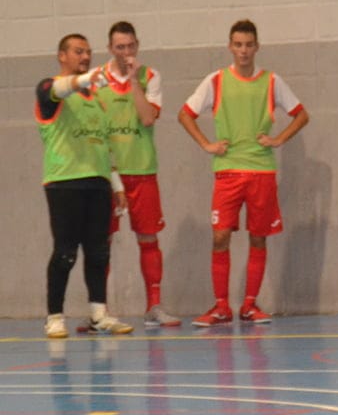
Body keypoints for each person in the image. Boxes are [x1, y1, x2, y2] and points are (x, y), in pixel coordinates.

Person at [178, 19, 310, 327]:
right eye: (238, 45)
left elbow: (302, 115)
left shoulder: (272, 81)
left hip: (261, 171)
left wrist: (278, 139)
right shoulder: (216, 80)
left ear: (257, 47)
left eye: (249, 45)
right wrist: (206, 144)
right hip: (227, 172)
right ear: (230, 47)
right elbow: (185, 114)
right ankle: (221, 306)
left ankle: (250, 305)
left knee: (258, 237)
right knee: (220, 235)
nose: (243, 50)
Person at [35, 34, 134, 338]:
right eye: (78, 52)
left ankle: (99, 314)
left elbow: (105, 147)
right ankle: (54, 316)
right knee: (65, 252)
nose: (85, 56)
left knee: (99, 252)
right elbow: (58, 88)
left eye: (89, 52)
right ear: (62, 55)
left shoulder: (99, 102)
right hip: (64, 183)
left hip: (97, 184)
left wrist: (116, 185)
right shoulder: (49, 90)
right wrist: (88, 78)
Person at [91, 20, 180, 330]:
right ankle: (98, 311)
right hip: (105, 175)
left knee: (149, 238)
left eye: (130, 46)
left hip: (142, 170)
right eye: (119, 47)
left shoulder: (150, 76)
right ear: (110, 48)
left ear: (137, 46)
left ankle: (153, 306)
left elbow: (146, 117)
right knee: (101, 242)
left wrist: (133, 82)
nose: (125, 52)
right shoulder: (95, 80)